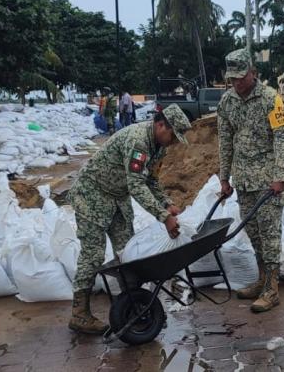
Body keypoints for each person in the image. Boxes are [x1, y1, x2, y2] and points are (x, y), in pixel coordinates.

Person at [67, 104, 191, 334]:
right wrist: (164, 218)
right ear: (161, 124)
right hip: (92, 195)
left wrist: (167, 203)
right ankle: (79, 314)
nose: (173, 141)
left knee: (129, 254)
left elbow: (151, 181)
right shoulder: (138, 141)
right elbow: (136, 184)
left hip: (117, 199)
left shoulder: (158, 146)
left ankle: (136, 307)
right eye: (173, 135)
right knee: (92, 255)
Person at [217, 49, 284, 313]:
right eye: (233, 78)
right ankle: (262, 279)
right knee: (254, 234)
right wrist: (224, 178)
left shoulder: (270, 99)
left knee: (270, 235)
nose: (237, 82)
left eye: (241, 77)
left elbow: (283, 137)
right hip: (243, 181)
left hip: (268, 182)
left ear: (253, 72)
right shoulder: (227, 103)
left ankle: (272, 289)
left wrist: (280, 175)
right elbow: (225, 142)